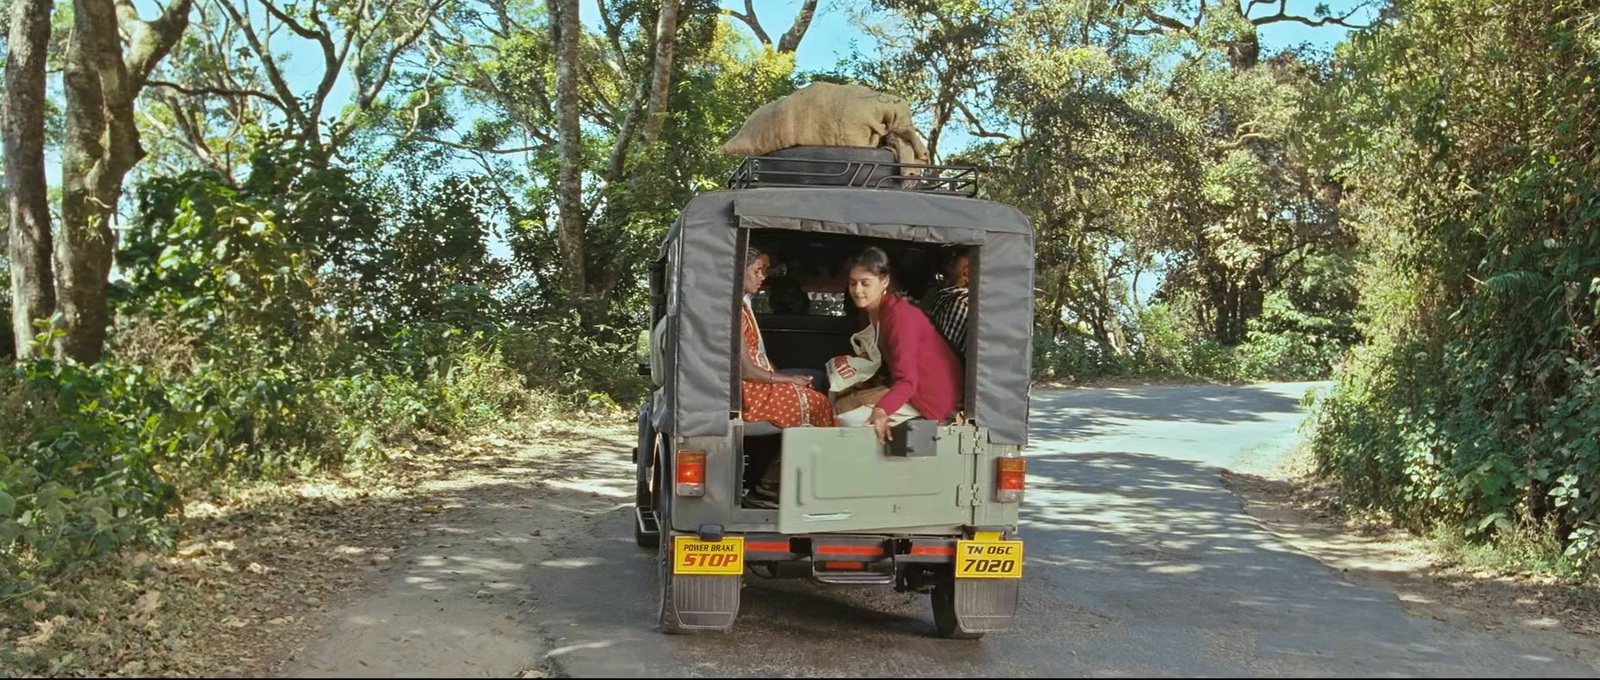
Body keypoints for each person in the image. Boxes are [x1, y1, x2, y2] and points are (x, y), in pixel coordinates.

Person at [835, 246, 964, 444]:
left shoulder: (899, 316)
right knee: (843, 400)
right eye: (853, 284)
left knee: (844, 413)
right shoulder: (878, 312)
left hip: (932, 400)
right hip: (914, 390)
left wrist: (881, 410)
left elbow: (907, 380)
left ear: (884, 281)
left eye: (865, 283)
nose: (858, 290)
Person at [739, 245, 836, 430]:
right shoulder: (734, 313)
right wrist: (789, 380)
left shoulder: (742, 308)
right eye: (757, 271)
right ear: (738, 272)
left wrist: (786, 378)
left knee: (811, 391)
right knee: (818, 403)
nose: (763, 277)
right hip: (751, 394)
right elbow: (746, 371)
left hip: (757, 385)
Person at [927, 247, 971, 358]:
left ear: (967, 272)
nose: (953, 257)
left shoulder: (960, 302)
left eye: (960, 254)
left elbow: (941, 353)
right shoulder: (943, 296)